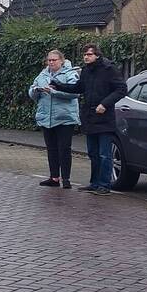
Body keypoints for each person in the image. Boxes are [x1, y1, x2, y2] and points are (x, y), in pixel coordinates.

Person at [51, 44, 127, 195]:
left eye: (89, 54)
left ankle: (105, 185)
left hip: (104, 118)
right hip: (90, 117)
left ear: (97, 56)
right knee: (93, 153)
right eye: (85, 54)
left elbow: (121, 89)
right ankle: (94, 183)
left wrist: (105, 104)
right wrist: (58, 85)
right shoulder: (86, 70)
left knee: (105, 154)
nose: (86, 57)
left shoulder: (108, 69)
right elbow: (79, 88)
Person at [28, 49, 80, 188]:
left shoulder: (70, 74)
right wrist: (35, 91)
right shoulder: (43, 74)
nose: (51, 62)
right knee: (51, 149)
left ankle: (66, 179)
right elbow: (32, 89)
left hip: (64, 118)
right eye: (49, 60)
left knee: (64, 148)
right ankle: (54, 177)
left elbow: (75, 93)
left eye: (54, 60)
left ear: (61, 61)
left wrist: (53, 92)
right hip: (46, 117)